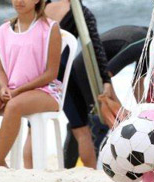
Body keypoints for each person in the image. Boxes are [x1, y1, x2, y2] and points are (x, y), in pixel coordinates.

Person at [22, 0, 116, 169]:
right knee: (81, 129)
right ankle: (90, 172)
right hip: (61, 75)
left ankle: (28, 173)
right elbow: (95, 47)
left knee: (33, 128)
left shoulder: (42, 8)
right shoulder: (81, 12)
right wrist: (105, 79)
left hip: (35, 75)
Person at [0, 0, 62, 168]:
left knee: (14, 106)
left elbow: (51, 73)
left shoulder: (49, 28)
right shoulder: (2, 31)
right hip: (12, 89)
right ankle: (1, 164)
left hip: (46, 91)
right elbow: (0, 70)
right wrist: (3, 88)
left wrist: (18, 91)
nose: (19, 0)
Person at [62, 25, 149, 168]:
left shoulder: (150, 45)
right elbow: (107, 73)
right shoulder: (141, 44)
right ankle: (83, 168)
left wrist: (146, 112)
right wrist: (116, 104)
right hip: (86, 68)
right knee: (99, 120)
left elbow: (137, 84)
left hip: (92, 69)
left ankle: (72, 167)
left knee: (82, 122)